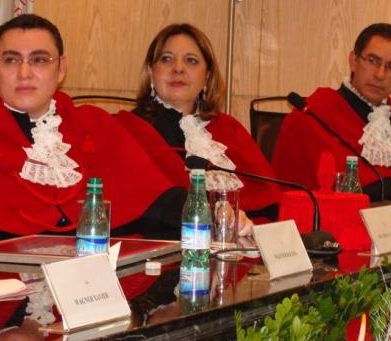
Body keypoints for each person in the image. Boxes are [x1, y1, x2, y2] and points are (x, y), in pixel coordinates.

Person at [0, 14, 185, 270]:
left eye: (39, 60)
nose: (24, 73)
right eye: (11, 60)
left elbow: (158, 206)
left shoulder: (96, 124)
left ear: (61, 68)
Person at [116, 23, 282, 231]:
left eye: (191, 61)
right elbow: (135, 206)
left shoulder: (230, 129)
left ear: (207, 76)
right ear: (151, 71)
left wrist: (246, 229)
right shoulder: (127, 129)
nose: (178, 68)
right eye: (166, 59)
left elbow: (268, 205)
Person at [271, 23, 391, 210]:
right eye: (372, 60)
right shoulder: (314, 113)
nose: (380, 74)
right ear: (354, 61)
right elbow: (347, 191)